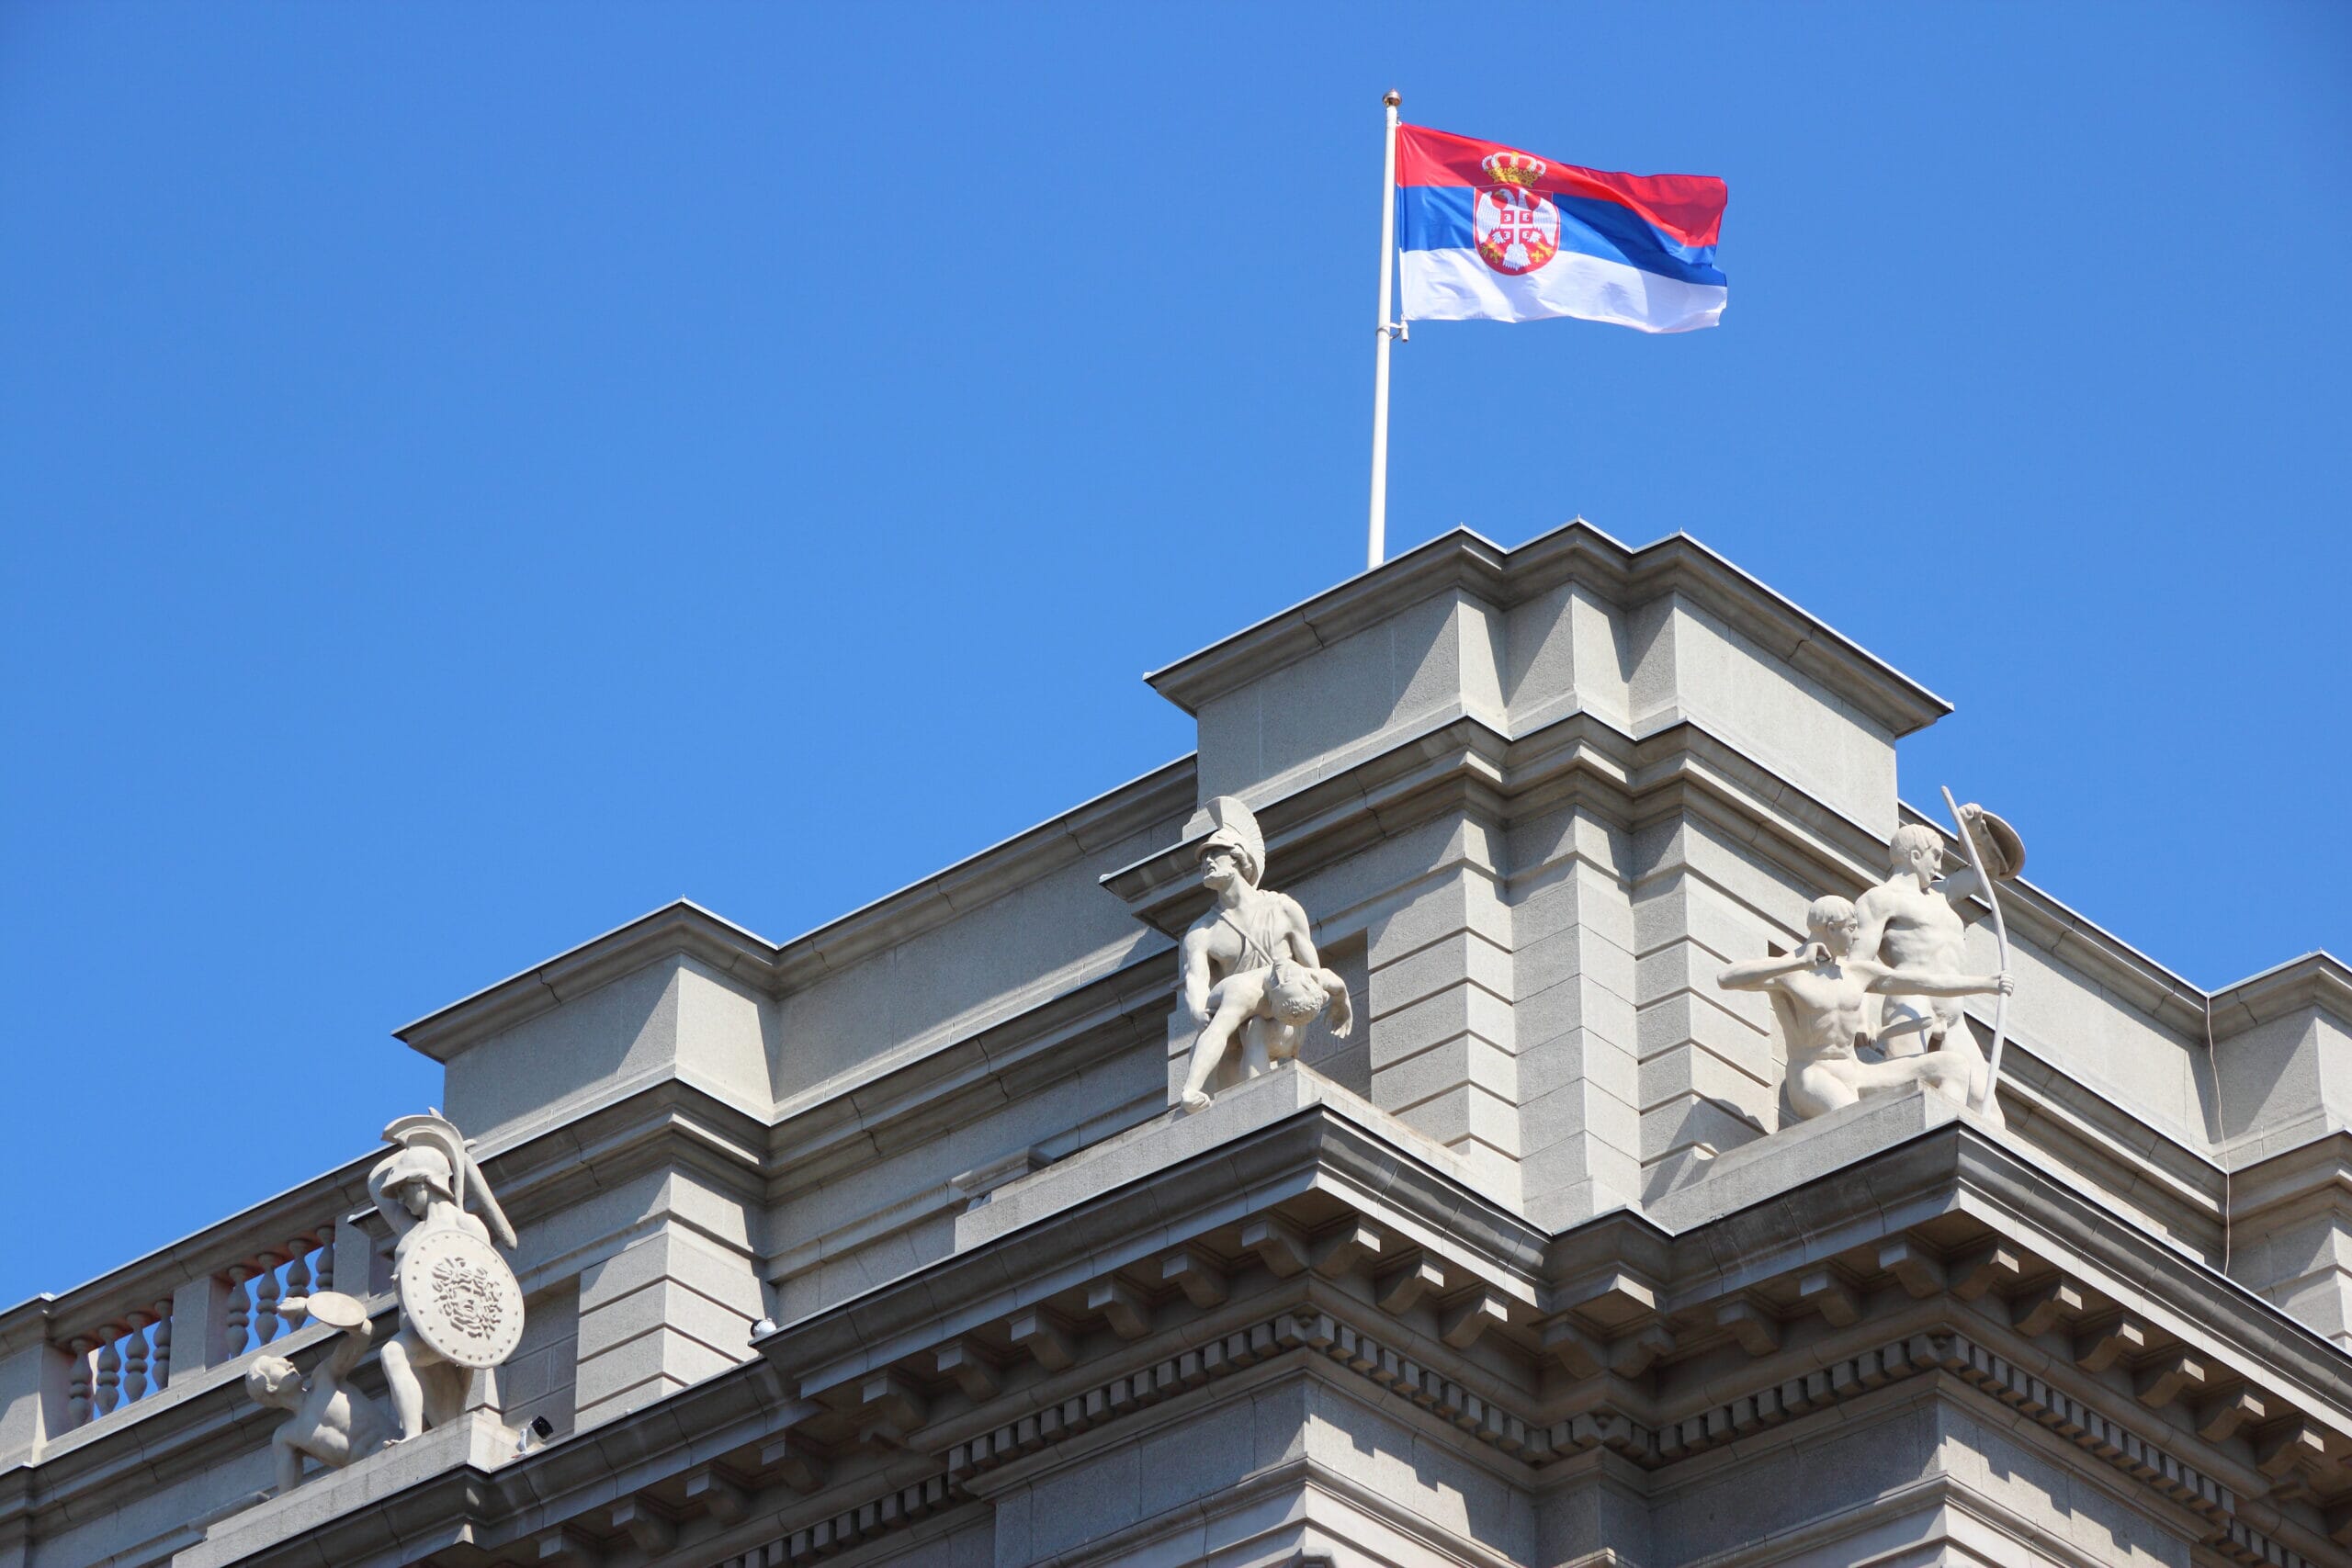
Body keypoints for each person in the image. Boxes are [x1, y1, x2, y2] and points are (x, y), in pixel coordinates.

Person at [1717, 895, 2012, 1121]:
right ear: (1830, 929)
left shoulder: (1857, 972)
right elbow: (1727, 978)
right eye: (1850, 929)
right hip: (1813, 1075)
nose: (1857, 937)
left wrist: (1986, 984)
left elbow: (1925, 982)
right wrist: (1796, 961)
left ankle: (1938, 1146)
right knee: (1857, 1123)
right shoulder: (1790, 973)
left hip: (1856, 1071)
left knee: (1952, 1066)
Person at [1175, 798, 1342, 1111]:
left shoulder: (1283, 909)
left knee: (1257, 1029)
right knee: (1231, 1031)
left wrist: (1329, 999)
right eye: (1204, 857)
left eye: (1216, 853)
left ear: (1239, 857)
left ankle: (1261, 1108)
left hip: (1282, 1015)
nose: (1207, 861)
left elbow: (1312, 972)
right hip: (1232, 1015)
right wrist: (1197, 1012)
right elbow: (1196, 979)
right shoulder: (1202, 932)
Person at [1852, 809, 2008, 1123]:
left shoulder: (1942, 894)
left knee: (1989, 1115)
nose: (1939, 866)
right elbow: (1858, 966)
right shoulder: (1880, 899)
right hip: (1912, 1005)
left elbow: (1985, 871)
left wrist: (1973, 831)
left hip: (1954, 1014)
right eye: (1935, 856)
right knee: (1910, 1099)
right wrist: (1860, 1019)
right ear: (1914, 855)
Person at [368, 1122, 496, 1441]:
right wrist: (431, 1143)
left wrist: (447, 1160)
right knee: (444, 1420)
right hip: (417, 1323)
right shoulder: (409, 1228)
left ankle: (412, 1435)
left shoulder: (468, 1225)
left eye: (404, 1188)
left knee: (392, 1353)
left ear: (427, 1181)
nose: (400, 1198)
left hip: (451, 1327)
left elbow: (486, 1283)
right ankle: (416, 1434)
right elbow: (374, 1182)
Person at [243, 1292, 390, 1495]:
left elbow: (365, 1332)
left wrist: (309, 1307)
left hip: (394, 1449)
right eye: (278, 1364)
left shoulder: (324, 1377)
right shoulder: (287, 1436)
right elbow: (287, 1500)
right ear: (268, 1386)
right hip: (372, 1486)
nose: (288, 1363)